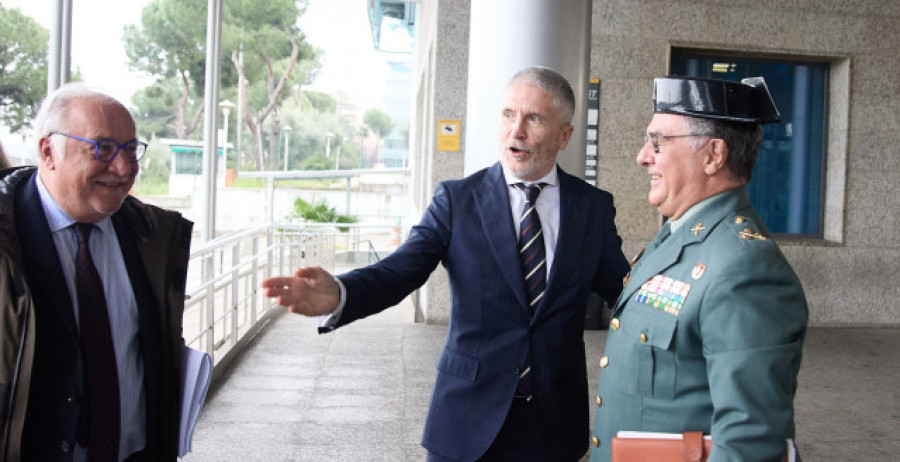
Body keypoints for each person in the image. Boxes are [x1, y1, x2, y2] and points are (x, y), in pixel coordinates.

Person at [262, 66, 630, 461]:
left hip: (554, 425)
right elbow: (400, 271)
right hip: (466, 421)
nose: (516, 131)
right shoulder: (457, 201)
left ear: (564, 135)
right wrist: (340, 293)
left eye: (533, 118)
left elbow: (623, 293)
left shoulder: (592, 207)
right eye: (508, 114)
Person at [589, 76, 809, 461]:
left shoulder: (745, 267)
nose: (643, 156)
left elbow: (749, 442)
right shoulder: (680, 235)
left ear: (713, 155)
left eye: (658, 143)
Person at [0, 83, 193, 462]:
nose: (123, 168)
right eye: (102, 148)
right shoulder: (8, 240)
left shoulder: (151, 239)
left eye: (131, 149)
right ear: (48, 151)